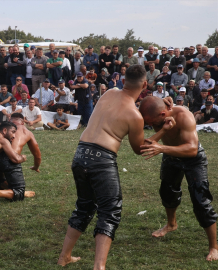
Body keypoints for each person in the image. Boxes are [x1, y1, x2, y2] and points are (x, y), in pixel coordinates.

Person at [57, 65, 175, 268]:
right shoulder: (135, 116)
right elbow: (140, 149)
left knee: (84, 207)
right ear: (145, 84)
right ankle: (99, 266)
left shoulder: (109, 93)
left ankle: (64, 257)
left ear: (121, 80)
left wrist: (157, 104)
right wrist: (163, 130)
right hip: (101, 159)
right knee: (109, 211)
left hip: (80, 154)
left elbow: (123, 105)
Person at [139, 96, 218, 261]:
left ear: (163, 114)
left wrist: (161, 148)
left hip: (193, 158)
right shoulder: (157, 114)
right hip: (170, 155)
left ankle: (214, 247)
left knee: (200, 200)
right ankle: (171, 225)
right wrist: (163, 131)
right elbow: (144, 145)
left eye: (153, 123)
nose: (151, 126)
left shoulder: (184, 116)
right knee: (167, 192)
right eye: (149, 124)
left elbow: (192, 149)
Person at [0, 113, 41, 206]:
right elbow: (37, 155)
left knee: (1, 182)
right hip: (11, 160)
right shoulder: (27, 132)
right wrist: (36, 166)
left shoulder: (0, 127)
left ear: (10, 120)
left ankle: (5, 187)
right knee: (19, 192)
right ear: (23, 122)